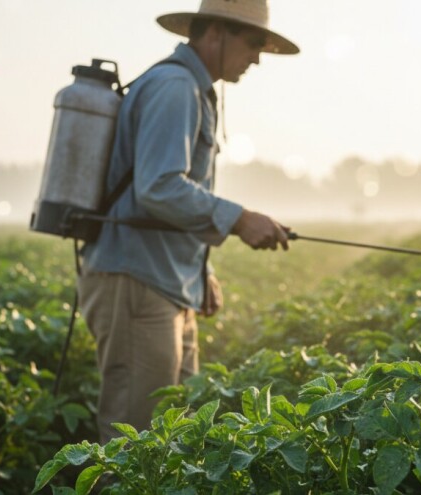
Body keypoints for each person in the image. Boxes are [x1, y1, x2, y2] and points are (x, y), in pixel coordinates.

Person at [78, 0, 299, 443]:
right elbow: (159, 187)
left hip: (165, 280)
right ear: (215, 32)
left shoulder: (191, 89)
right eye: (253, 42)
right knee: (134, 443)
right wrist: (239, 219)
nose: (257, 57)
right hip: (137, 280)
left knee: (171, 434)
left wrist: (203, 270)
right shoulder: (175, 87)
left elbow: (173, 194)